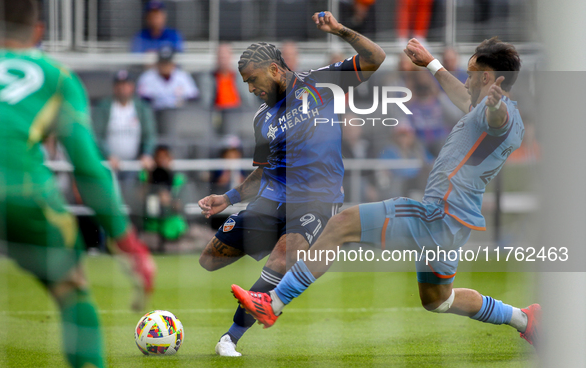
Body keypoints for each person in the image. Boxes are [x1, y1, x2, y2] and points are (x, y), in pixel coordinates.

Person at [232, 37, 541, 349]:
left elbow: (495, 119)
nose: (465, 77)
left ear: (488, 78)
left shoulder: (500, 114)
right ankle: (525, 319)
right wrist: (432, 63)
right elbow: (465, 97)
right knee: (438, 300)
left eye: (471, 73)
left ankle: (272, 304)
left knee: (341, 224)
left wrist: (496, 104)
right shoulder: (491, 111)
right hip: (456, 224)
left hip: (438, 214)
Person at [198, 11, 385, 356]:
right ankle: (279, 267)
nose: (251, 89)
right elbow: (264, 171)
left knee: (284, 256)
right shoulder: (262, 120)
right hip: (272, 198)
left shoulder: (321, 84)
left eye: (253, 80)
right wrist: (229, 197)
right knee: (209, 259)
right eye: (245, 84)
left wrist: (339, 30)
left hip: (317, 197)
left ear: (273, 70)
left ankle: (230, 338)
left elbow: (376, 58)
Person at [0, 0, 155, 368]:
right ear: (38, 32)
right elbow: (86, 166)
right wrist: (124, 239)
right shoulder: (58, 79)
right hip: (19, 191)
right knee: (71, 285)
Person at [93, 70, 157, 173]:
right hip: (109, 163)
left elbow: (149, 134)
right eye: (119, 85)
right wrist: (108, 155)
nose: (122, 88)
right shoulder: (104, 107)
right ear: (114, 87)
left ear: (132, 87)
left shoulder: (141, 108)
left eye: (126, 85)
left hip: (134, 164)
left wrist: (146, 154)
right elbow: (97, 134)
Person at [137, 45, 199, 110]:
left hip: (179, 114)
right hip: (155, 113)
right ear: (157, 63)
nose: (165, 66)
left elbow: (193, 96)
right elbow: (142, 99)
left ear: (173, 64)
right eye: (163, 62)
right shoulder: (147, 77)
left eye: (167, 63)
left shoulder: (183, 76)